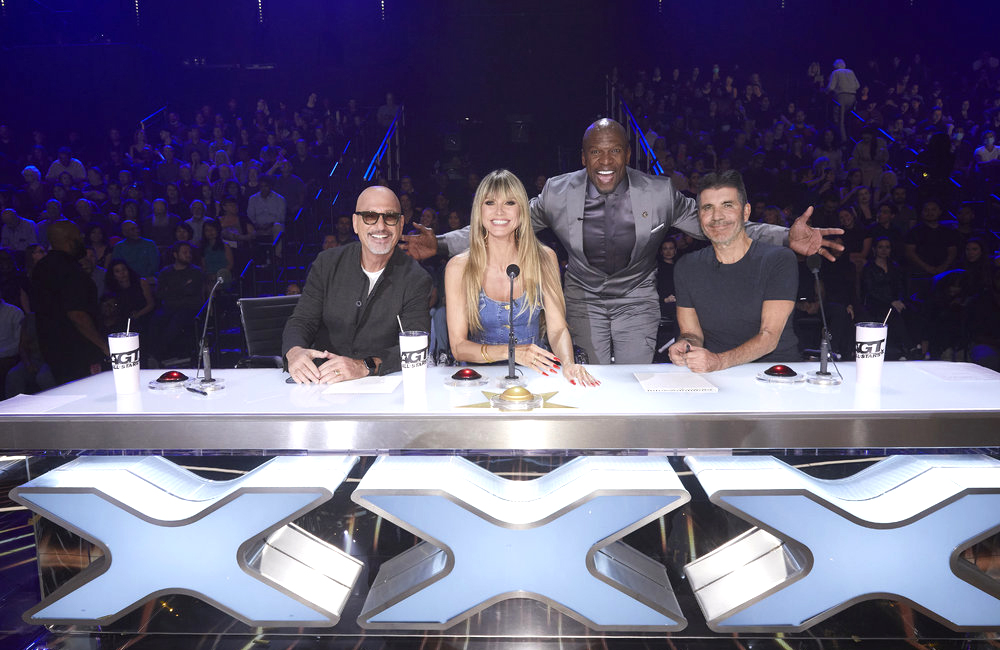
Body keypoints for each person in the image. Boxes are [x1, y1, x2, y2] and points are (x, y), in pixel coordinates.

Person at [403, 119, 843, 364]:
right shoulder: (558, 193)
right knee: (593, 376)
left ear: (627, 153)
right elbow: (501, 220)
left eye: (615, 150)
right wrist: (440, 244)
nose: (606, 160)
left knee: (632, 378)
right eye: (596, 152)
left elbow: (717, 223)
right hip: (583, 296)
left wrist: (787, 236)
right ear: (583, 158)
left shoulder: (659, 192)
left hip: (636, 296)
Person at [444, 170, 597, 386]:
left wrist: (568, 363)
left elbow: (557, 328)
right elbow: (458, 346)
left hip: (536, 375)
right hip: (480, 380)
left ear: (522, 210)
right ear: (479, 210)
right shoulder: (458, 267)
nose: (499, 211)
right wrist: (513, 352)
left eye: (509, 202)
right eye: (489, 203)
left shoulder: (544, 258)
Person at [282, 186, 432, 383]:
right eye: (370, 216)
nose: (381, 226)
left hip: (381, 387)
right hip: (322, 384)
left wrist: (365, 365)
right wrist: (294, 353)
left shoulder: (416, 278)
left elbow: (416, 347)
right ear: (355, 223)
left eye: (390, 217)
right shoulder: (326, 263)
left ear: (401, 223)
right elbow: (302, 321)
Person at [668, 171, 799, 372]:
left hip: (775, 373)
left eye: (727, 205)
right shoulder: (687, 266)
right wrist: (685, 344)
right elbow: (692, 333)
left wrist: (719, 361)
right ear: (699, 216)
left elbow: (769, 337)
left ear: (746, 212)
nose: (717, 217)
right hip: (716, 375)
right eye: (708, 208)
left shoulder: (778, 260)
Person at [30, 220, 109, 385]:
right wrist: (103, 346)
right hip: (78, 350)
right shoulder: (70, 270)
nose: (82, 238)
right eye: (78, 236)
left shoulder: (40, 267)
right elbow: (77, 314)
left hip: (52, 348)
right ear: (69, 241)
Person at [827, 59, 860, 142]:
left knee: (839, 120)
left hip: (841, 97)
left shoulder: (836, 73)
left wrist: (824, 91)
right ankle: (850, 137)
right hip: (852, 98)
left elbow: (831, 87)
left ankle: (842, 140)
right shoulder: (851, 72)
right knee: (849, 119)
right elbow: (858, 85)